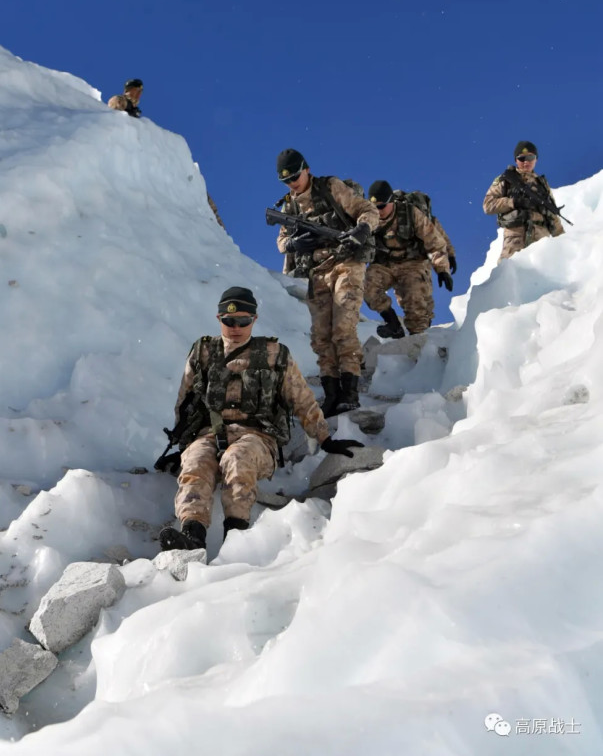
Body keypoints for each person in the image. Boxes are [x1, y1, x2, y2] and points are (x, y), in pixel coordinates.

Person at [156, 286, 362, 552]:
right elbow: (184, 403)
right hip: (208, 433)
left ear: (253, 320)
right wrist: (184, 444)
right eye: (229, 321)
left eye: (243, 320)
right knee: (195, 462)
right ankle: (192, 538)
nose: (236, 327)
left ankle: (235, 540)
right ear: (219, 319)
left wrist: (325, 439)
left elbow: (302, 400)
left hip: (259, 438)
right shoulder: (203, 352)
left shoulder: (275, 355)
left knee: (238, 459)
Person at [274, 149, 379, 417]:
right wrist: (293, 243)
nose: (293, 183)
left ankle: (350, 391)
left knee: (343, 326)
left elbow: (367, 210)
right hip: (317, 272)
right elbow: (281, 242)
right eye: (286, 181)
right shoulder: (291, 206)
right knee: (321, 337)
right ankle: (331, 394)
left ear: (306, 169)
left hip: (345, 263)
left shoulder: (331, 187)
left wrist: (362, 229)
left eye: (296, 176)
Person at [364, 180, 453, 339]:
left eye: (381, 206)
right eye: (374, 207)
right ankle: (393, 324)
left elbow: (434, 241)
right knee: (367, 287)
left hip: (413, 263)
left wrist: (442, 269)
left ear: (391, 201)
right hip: (385, 264)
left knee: (416, 309)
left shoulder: (410, 214)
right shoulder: (367, 218)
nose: (378, 211)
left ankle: (420, 348)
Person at [483, 141, 565, 262]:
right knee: (510, 276)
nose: (526, 162)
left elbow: (551, 213)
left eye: (530, 157)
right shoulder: (506, 180)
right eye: (522, 158)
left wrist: (561, 241)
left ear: (536, 159)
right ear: (516, 160)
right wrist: (514, 202)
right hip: (515, 238)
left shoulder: (541, 184)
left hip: (541, 239)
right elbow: (488, 205)